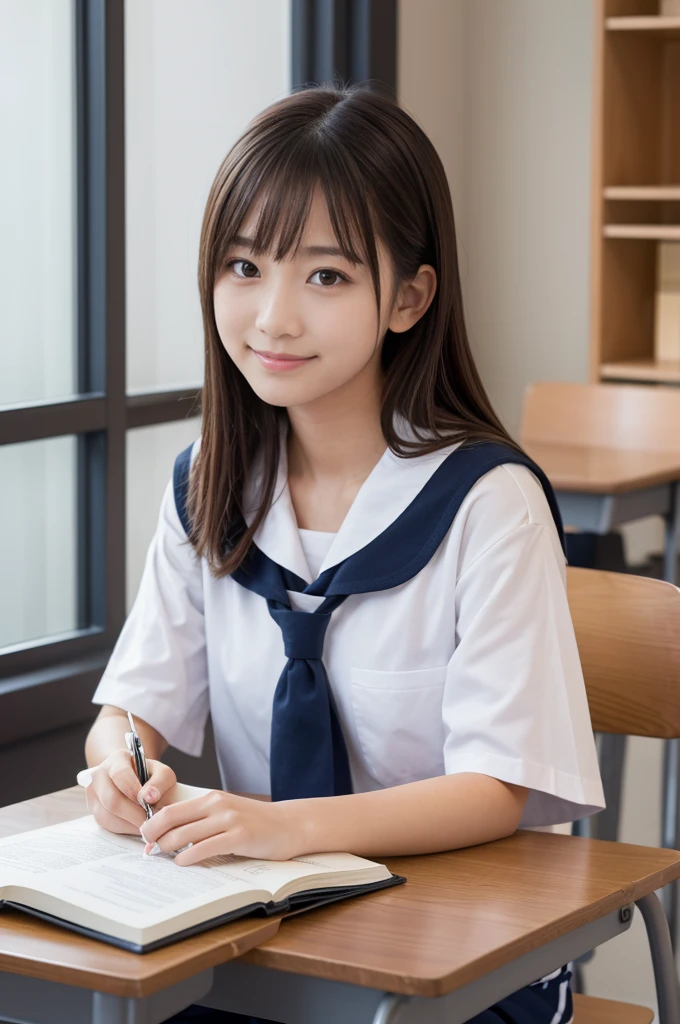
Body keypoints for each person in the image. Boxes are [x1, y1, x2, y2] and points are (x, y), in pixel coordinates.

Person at [84, 83, 605, 1024]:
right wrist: (121, 769)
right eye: (243, 266)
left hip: (461, 954)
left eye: (324, 276)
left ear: (408, 297)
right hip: (262, 942)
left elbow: (497, 788)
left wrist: (283, 830)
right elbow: (135, 701)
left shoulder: (489, 504)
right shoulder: (207, 485)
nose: (273, 317)